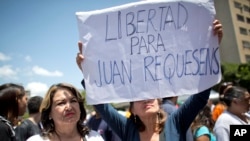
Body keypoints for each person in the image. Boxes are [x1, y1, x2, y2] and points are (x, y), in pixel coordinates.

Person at [76, 19, 223, 141]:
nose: (146, 98)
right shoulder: (126, 129)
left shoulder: (176, 122)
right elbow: (103, 107)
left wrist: (210, 48)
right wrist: (88, 71)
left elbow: (200, 96)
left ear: (158, 101)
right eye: (139, 97)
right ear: (132, 109)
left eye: (150, 93)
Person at [27, 83, 104, 141]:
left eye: (73, 101)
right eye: (61, 103)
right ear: (49, 113)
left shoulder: (94, 138)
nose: (69, 107)